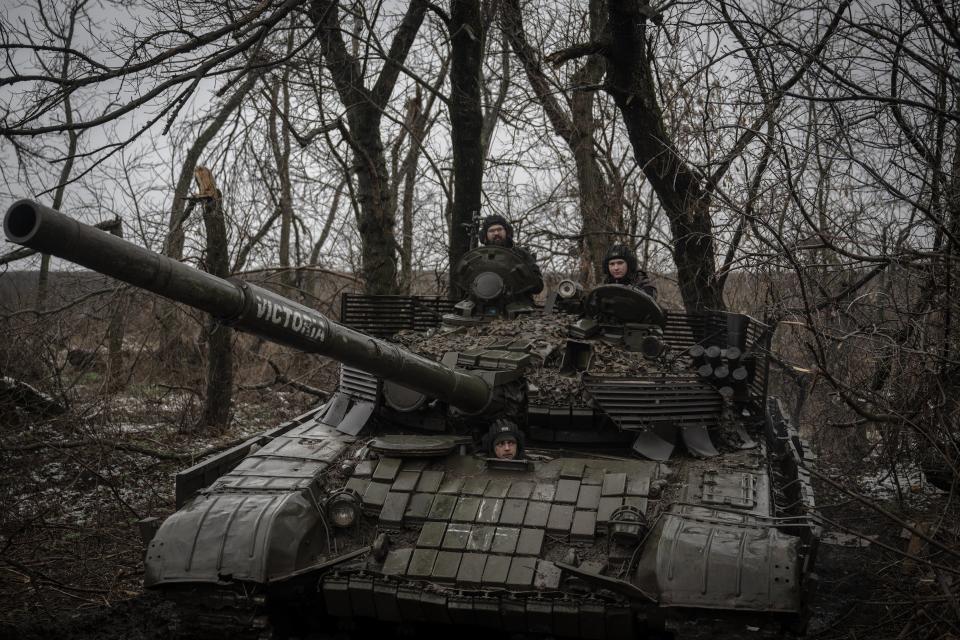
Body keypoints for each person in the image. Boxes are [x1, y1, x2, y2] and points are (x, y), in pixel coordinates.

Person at [479, 214, 544, 295]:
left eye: (499, 229)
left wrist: (523, 275)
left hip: (518, 303)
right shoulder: (478, 257)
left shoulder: (522, 254)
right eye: (491, 231)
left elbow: (538, 286)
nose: (496, 233)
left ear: (507, 231)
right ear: (485, 235)